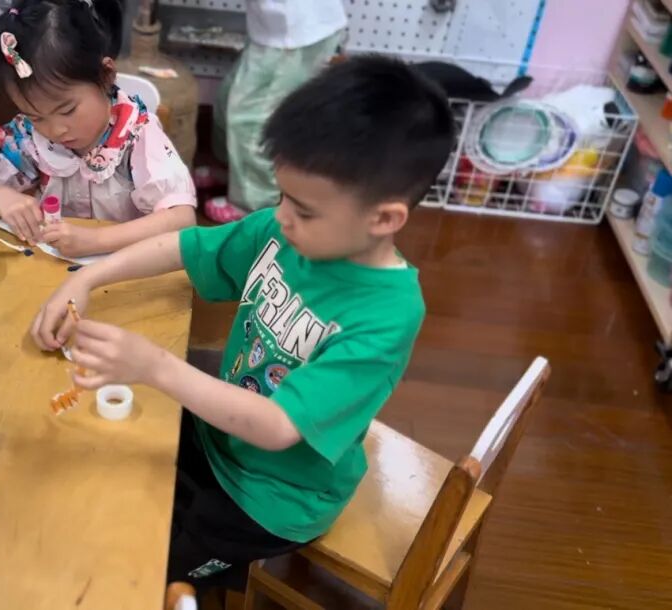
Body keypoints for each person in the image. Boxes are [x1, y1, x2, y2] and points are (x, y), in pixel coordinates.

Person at [30, 56, 455, 589]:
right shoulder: (286, 232)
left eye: (304, 209)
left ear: (384, 218)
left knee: (132, 574)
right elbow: (183, 246)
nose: (281, 216)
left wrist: (154, 365)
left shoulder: (388, 315)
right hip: (220, 433)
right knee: (96, 472)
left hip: (270, 500)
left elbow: (277, 427)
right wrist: (87, 278)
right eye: (282, 196)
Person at [0, 0, 197, 258]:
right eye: (36, 117)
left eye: (67, 111)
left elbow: (182, 219)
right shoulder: (27, 135)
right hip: (58, 262)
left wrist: (97, 239)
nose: (55, 130)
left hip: (127, 263)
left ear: (106, 76)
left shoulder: (138, 134)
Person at [204, 0, 347, 223]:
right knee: (227, 100)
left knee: (250, 122)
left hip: (293, 34)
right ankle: (236, 177)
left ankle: (253, 205)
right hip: (278, 28)